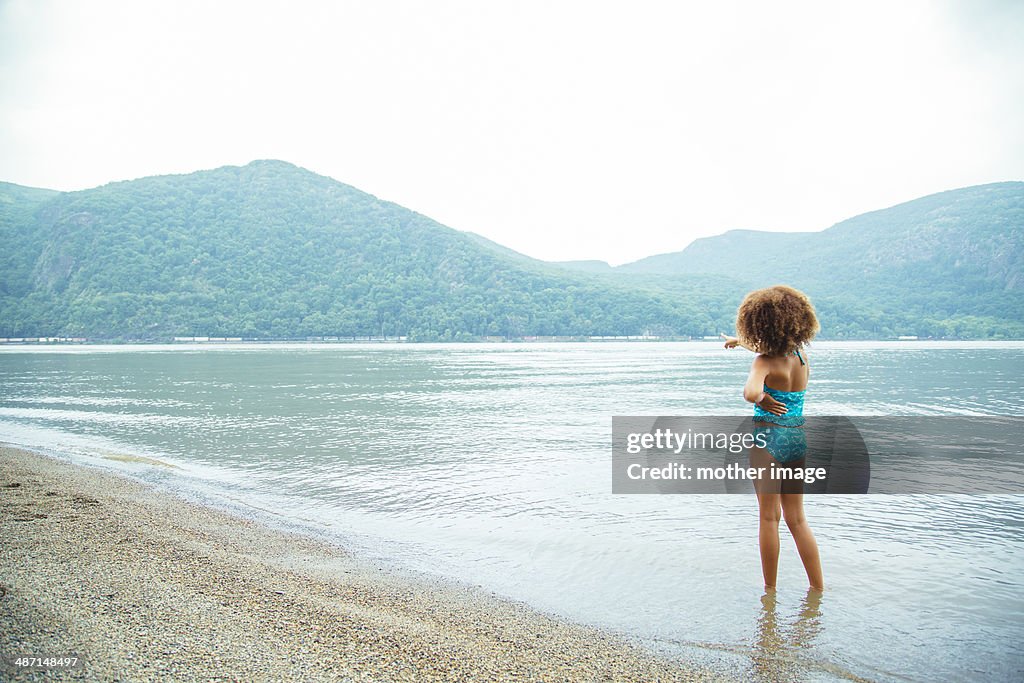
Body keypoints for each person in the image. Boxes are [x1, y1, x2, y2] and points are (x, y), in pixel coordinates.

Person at [721, 285, 824, 591]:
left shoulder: (763, 362)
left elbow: (750, 392)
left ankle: (770, 593)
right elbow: (774, 350)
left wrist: (762, 397)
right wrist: (739, 342)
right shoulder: (801, 357)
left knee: (769, 518)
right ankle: (818, 588)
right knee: (797, 520)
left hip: (768, 441)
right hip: (796, 440)